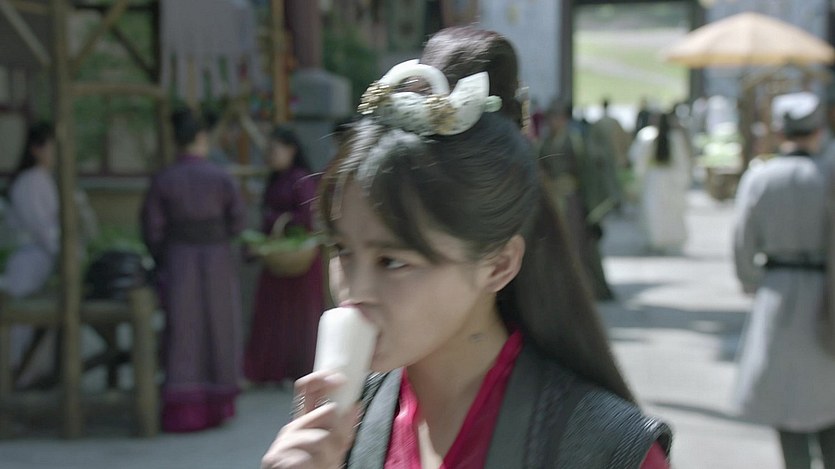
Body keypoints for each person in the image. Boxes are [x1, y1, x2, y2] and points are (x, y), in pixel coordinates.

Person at [261, 27, 671, 469]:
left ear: (498, 264)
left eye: (392, 261)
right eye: (343, 251)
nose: (354, 292)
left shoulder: (603, 449)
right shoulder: (348, 425)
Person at [733, 91, 835, 469]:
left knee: (787, 403)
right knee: (828, 405)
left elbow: (742, 244)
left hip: (777, 293)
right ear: (819, 130)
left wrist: (753, 280)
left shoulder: (760, 177)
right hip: (827, 294)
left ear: (779, 132)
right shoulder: (829, 175)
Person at [140, 107, 246, 432]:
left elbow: (152, 229)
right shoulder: (221, 177)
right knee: (219, 327)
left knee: (183, 331)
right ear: (201, 138)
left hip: (179, 259)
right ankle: (217, 407)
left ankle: (185, 410)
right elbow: (238, 221)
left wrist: (165, 255)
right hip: (216, 260)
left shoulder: (164, 179)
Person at [244, 125, 324, 385]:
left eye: (274, 149)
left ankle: (300, 369)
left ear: (291, 150)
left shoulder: (301, 179)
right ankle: (270, 371)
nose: (270, 155)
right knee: (271, 316)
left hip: (297, 258)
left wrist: (279, 221)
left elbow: (306, 217)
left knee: (299, 317)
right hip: (277, 258)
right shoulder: (275, 179)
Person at [1, 122, 59, 387]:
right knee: (21, 325)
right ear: (37, 149)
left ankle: (26, 377)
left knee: (34, 325)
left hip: (41, 259)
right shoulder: (31, 181)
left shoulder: (43, 179)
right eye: (51, 146)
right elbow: (41, 227)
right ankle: (13, 379)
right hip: (29, 260)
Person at [538, 99, 614, 300]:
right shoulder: (544, 142)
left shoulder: (575, 141)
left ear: (564, 119)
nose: (554, 122)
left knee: (576, 244)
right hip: (552, 200)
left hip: (572, 201)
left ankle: (581, 290)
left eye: (557, 118)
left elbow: (588, 171)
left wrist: (592, 206)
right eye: (551, 118)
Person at [629, 111, 690, 254]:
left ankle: (655, 239)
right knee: (668, 210)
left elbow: (638, 159)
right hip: (669, 177)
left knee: (653, 209)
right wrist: (682, 180)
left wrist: (638, 178)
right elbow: (682, 161)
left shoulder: (647, 136)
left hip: (653, 177)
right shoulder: (675, 138)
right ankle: (666, 239)